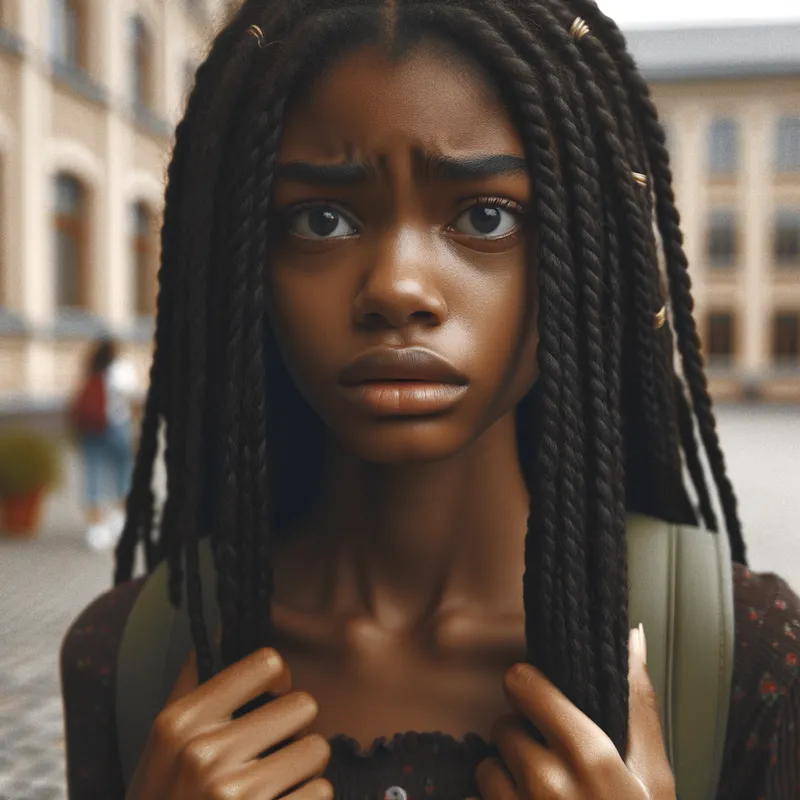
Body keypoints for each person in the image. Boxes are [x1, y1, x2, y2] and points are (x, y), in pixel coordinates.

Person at [61, 1, 800, 798]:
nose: (397, 287)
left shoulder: (750, 654)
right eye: (321, 220)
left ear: (585, 256)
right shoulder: (123, 656)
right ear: (244, 265)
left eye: (486, 215)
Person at [71, 337, 138, 552]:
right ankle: (119, 520)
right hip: (118, 426)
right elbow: (133, 399)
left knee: (93, 473)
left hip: (91, 428)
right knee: (122, 471)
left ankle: (96, 529)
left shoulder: (91, 370)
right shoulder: (122, 369)